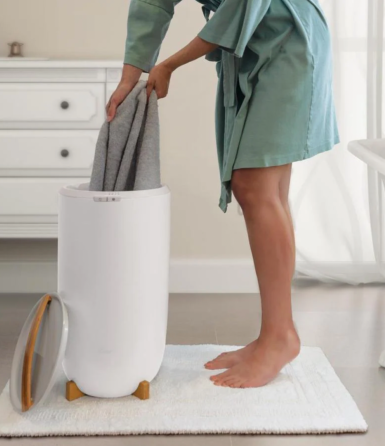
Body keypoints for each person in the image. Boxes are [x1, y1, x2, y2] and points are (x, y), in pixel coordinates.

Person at [107, 0, 338, 388]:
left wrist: (168, 64)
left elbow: (242, 7)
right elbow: (152, 3)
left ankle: (279, 336)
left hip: (289, 41)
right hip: (253, 47)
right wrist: (129, 77)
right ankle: (276, 333)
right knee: (268, 191)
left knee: (257, 187)